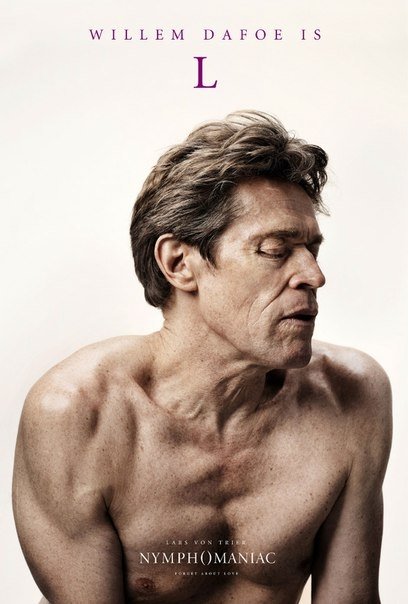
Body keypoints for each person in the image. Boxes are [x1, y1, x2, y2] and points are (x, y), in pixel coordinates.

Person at [13, 111, 392, 604]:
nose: (314, 276)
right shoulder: (79, 415)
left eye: (312, 250)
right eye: (275, 249)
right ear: (179, 264)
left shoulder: (352, 396)